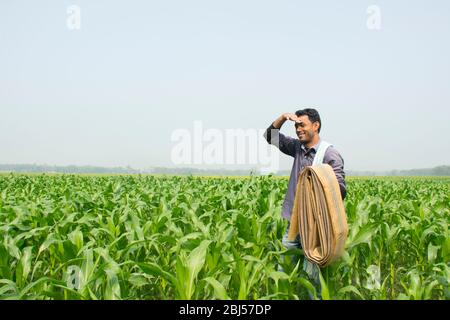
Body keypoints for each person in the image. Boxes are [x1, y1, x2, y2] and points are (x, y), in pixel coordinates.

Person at [263, 108, 346, 295]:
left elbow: (340, 190)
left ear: (316, 126)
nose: (298, 129)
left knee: (312, 278)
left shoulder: (329, 154)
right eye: (295, 126)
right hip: (293, 224)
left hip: (316, 229)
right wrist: (283, 117)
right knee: (283, 271)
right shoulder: (297, 148)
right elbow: (270, 136)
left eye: (302, 125)